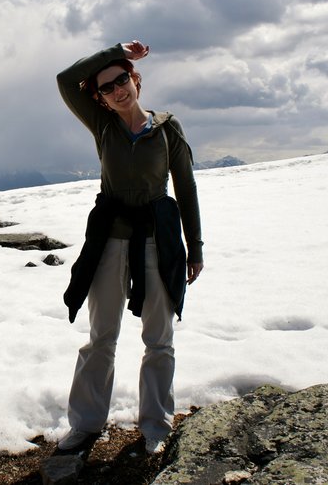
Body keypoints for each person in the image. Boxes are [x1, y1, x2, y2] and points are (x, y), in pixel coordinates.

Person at [56, 40, 204, 454]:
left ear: (136, 79)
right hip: (110, 241)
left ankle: (156, 425)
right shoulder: (103, 125)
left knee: (159, 337)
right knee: (101, 335)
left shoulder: (168, 127)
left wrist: (195, 247)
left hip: (158, 238)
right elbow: (65, 81)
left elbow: (186, 189)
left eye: (122, 79)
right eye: (107, 88)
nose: (118, 90)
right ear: (100, 99)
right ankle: (85, 426)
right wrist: (115, 50)